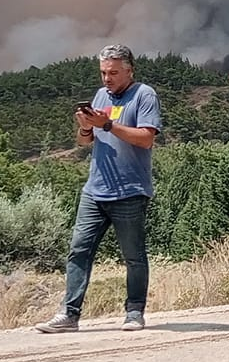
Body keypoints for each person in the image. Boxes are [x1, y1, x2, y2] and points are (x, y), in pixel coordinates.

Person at [36, 45, 160, 333]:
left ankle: (134, 312)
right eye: (104, 72)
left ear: (130, 70)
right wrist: (85, 128)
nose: (107, 78)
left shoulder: (144, 95)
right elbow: (85, 143)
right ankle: (69, 314)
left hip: (130, 191)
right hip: (95, 190)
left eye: (114, 73)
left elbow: (145, 139)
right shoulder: (101, 95)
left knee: (133, 255)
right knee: (78, 251)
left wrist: (107, 124)